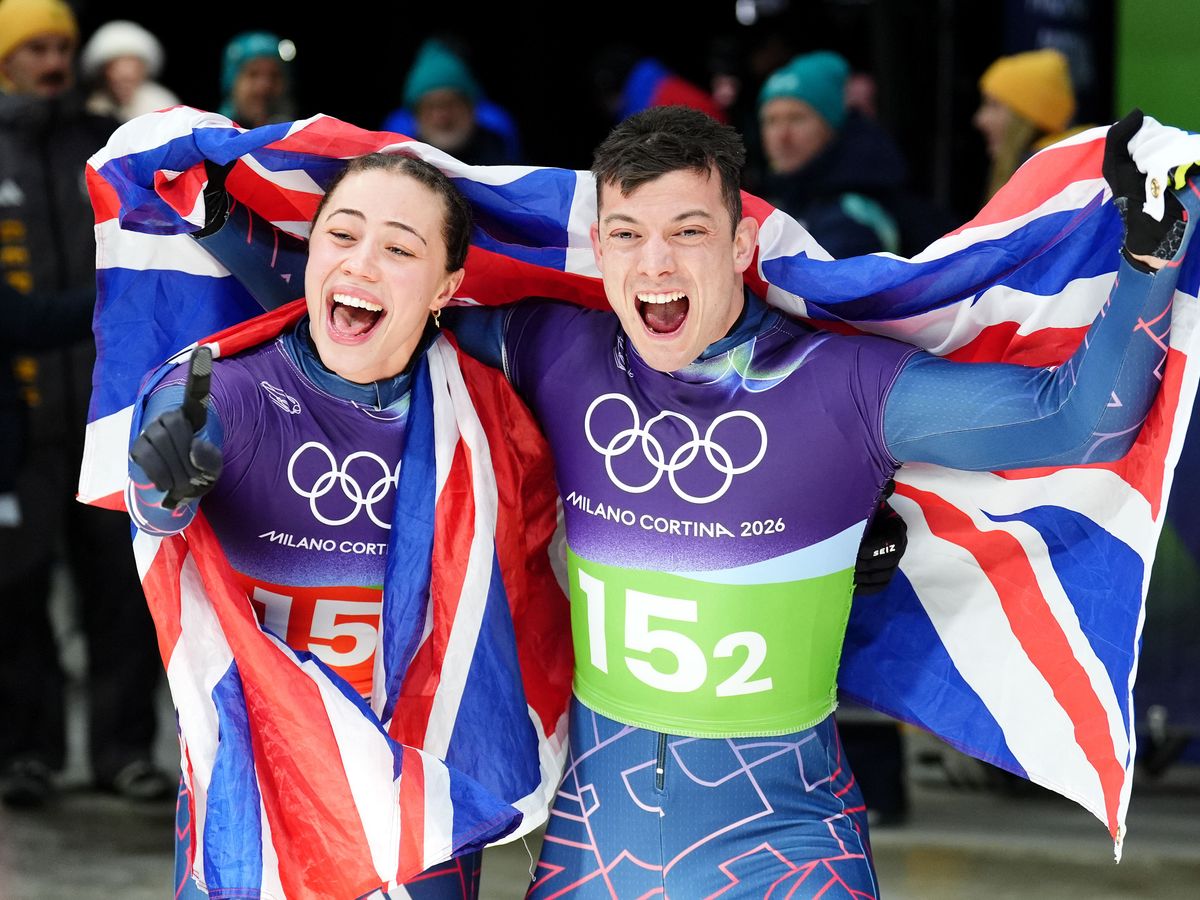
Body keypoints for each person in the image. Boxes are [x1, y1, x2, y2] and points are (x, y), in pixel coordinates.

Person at [426, 105, 1190, 896]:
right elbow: (391, 324)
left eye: (687, 231)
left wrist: (1149, 252)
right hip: (593, 857)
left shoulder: (839, 387)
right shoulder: (555, 350)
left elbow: (1078, 421)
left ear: (741, 244)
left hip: (786, 859)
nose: (654, 263)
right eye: (625, 234)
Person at [126, 152, 569, 899]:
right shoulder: (224, 391)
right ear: (311, 254)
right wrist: (163, 482)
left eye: (399, 248)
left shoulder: (493, 408)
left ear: (448, 288)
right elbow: (160, 511)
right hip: (259, 787)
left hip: (420, 791)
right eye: (342, 235)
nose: (362, 262)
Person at [0, 0, 171, 808]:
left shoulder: (93, 144)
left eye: (64, 45)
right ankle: (23, 752)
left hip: (107, 415)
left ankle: (123, 751)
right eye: (37, 47)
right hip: (15, 424)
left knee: (120, 589)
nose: (55, 60)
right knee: (16, 593)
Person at [753, 50, 951, 257]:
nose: (782, 135)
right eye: (771, 121)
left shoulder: (854, 217)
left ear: (831, 127)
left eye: (797, 118)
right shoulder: (787, 197)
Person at [382, 38, 521, 166]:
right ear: (416, 116)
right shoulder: (401, 165)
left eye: (450, 104)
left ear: (471, 108)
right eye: (430, 107)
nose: (441, 115)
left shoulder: (502, 163)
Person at [974, 48, 1088, 201]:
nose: (980, 119)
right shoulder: (1078, 172)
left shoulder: (1042, 184)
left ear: (1026, 116)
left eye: (994, 105)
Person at [79, 20, 179, 122]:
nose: (124, 86)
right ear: (103, 74)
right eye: (118, 78)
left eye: (130, 79)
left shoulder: (163, 105)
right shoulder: (95, 108)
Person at [218, 30, 294, 129]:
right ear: (232, 82)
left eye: (275, 75)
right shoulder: (209, 138)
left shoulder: (302, 140)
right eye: (253, 74)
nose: (265, 85)